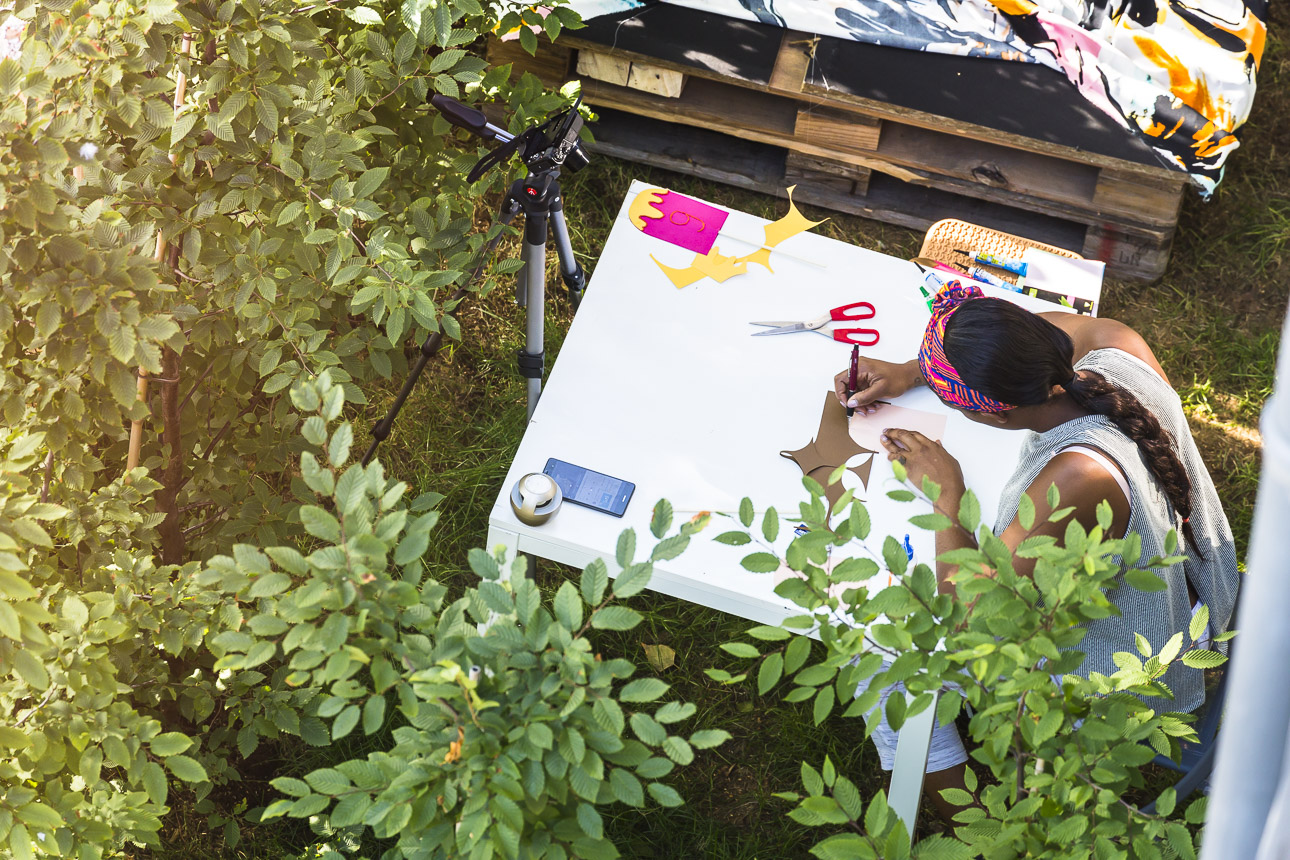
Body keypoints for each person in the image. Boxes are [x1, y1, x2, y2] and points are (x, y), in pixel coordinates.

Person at [832, 281, 1240, 821]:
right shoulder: (1117, 347)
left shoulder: (1079, 476)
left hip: (1125, 657)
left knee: (882, 650)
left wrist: (946, 496)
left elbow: (969, 620)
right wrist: (914, 370)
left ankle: (975, 819)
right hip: (1195, 579)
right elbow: (1043, 324)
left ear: (995, 415)